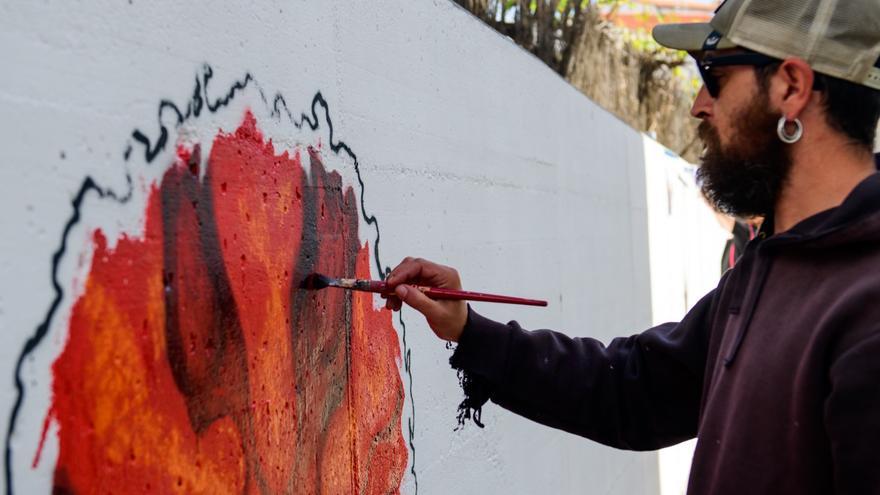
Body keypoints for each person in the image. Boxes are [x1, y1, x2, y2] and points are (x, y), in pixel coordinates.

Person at [382, 1, 880, 493]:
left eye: (715, 76)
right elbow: (635, 391)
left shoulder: (865, 307)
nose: (698, 105)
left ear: (791, 88)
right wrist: (469, 329)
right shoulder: (770, 267)